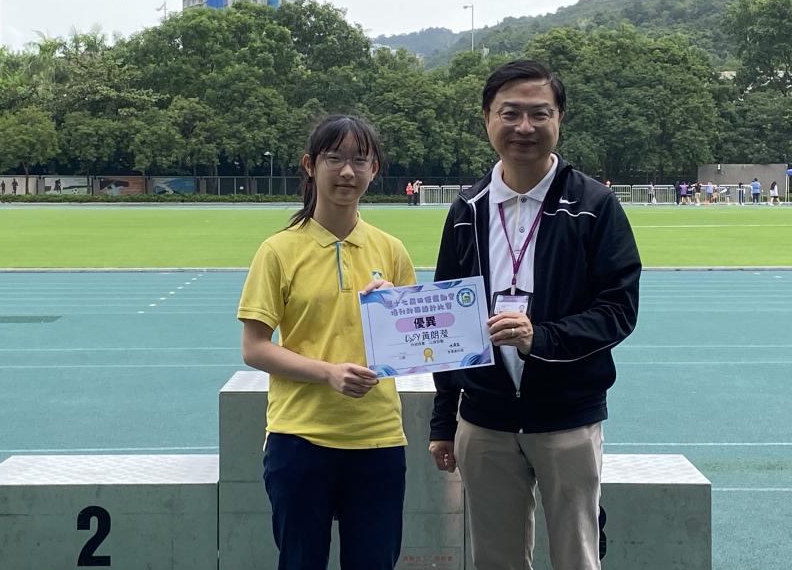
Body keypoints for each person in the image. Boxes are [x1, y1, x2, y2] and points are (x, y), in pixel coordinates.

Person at [428, 60, 641, 570]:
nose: (524, 127)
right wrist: (444, 418)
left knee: (577, 556)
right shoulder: (467, 209)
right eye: (510, 113)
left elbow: (619, 309)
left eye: (538, 113)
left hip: (568, 418)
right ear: (486, 119)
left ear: (559, 118)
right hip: (484, 421)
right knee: (495, 559)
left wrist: (539, 338)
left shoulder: (594, 205)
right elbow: (444, 316)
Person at [238, 114, 416, 570]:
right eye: (334, 158)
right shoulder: (278, 250)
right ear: (309, 165)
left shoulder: (391, 249)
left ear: (375, 169)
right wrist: (328, 374)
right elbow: (254, 347)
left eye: (361, 160)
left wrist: (397, 310)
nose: (347, 172)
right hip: (300, 439)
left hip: (377, 440)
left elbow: (414, 346)